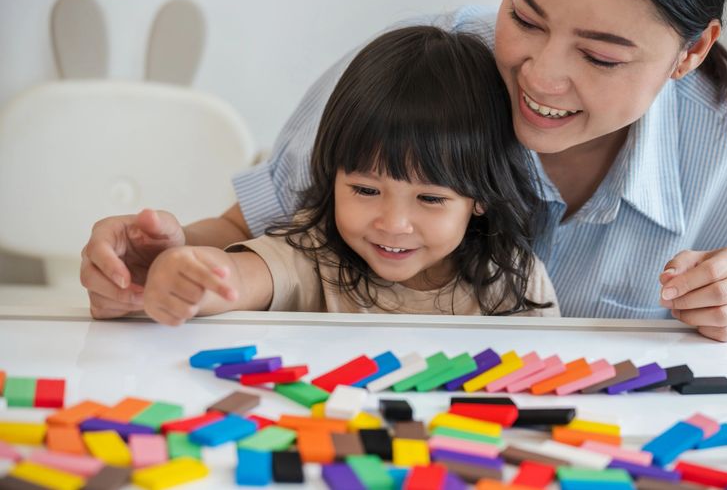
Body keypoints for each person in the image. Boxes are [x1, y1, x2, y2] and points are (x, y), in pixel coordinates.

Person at [81, 0, 727, 340]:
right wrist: (158, 261)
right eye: (525, 14)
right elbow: (254, 240)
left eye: (603, 56)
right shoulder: (416, 76)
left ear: (692, 50)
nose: (542, 76)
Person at [138, 26, 559, 325]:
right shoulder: (313, 251)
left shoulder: (514, 281)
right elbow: (243, 276)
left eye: (430, 198)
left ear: (480, 197)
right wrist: (187, 274)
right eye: (364, 189)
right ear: (332, 175)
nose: (392, 224)